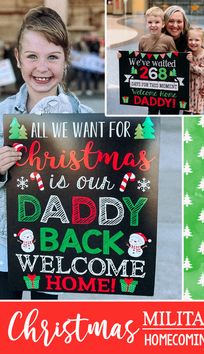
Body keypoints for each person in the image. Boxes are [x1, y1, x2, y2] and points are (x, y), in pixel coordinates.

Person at [0, 6, 93, 300]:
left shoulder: (86, 121)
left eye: (52, 57)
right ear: (18, 58)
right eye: (32, 57)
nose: (42, 68)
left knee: (44, 335)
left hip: (55, 250)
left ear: (66, 60)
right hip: (4, 250)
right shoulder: (1, 115)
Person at [185, 27, 204, 114]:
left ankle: (197, 127)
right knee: (186, 112)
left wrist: (191, 62)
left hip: (199, 90)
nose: (193, 42)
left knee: (197, 113)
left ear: (202, 41)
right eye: (190, 40)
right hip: (188, 89)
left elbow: (203, 71)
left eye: (197, 40)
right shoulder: (187, 53)